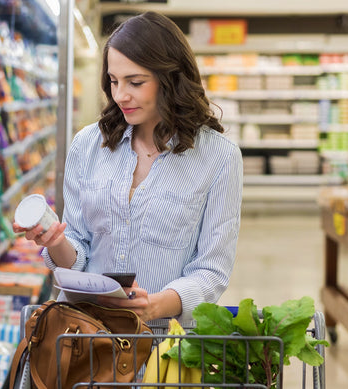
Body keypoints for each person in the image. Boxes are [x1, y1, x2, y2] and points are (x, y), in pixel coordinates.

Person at [13, 11, 243, 323]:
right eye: (113, 81)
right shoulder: (88, 145)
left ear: (170, 78)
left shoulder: (218, 157)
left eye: (135, 82)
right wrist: (56, 243)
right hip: (86, 338)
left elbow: (211, 271)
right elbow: (77, 255)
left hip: (162, 345)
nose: (121, 95)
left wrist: (156, 305)